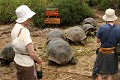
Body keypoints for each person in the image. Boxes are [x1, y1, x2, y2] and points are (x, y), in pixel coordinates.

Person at [11, 5, 42, 80]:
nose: (31, 19)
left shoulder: (15, 27)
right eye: (29, 17)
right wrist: (39, 60)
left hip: (17, 60)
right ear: (25, 18)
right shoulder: (24, 31)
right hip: (26, 64)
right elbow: (31, 52)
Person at [92, 8, 120, 80]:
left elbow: (98, 41)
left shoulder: (101, 27)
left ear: (106, 17)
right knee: (109, 73)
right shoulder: (118, 29)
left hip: (102, 52)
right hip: (113, 53)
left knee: (100, 72)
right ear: (114, 18)